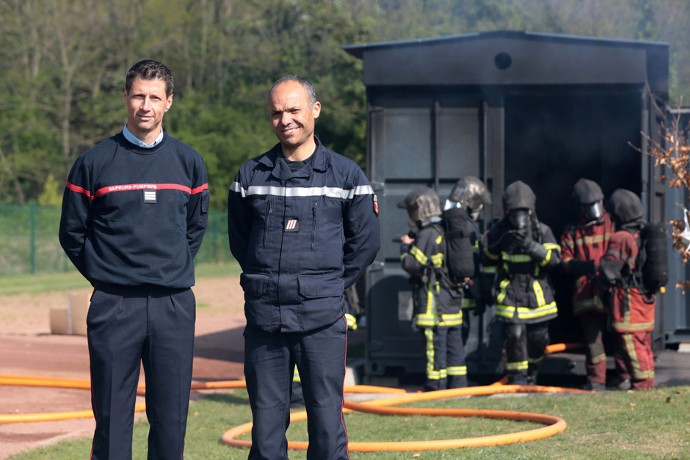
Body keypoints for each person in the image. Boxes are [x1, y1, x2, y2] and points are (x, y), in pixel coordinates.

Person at [58, 59, 209, 459]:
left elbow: (195, 227)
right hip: (114, 304)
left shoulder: (189, 162)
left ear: (169, 102)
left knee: (171, 418)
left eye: (155, 97)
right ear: (126, 98)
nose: (146, 105)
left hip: (173, 304)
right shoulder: (95, 161)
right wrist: (108, 274)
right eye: (138, 95)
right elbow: (72, 232)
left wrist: (168, 267)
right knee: (111, 418)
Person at [227, 75, 380, 459]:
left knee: (327, 428)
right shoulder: (250, 176)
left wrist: (328, 285)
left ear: (315, 110)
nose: (285, 119)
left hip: (322, 321)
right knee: (265, 433)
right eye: (277, 112)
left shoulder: (347, 176)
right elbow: (241, 242)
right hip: (265, 320)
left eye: (294, 110)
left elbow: (365, 244)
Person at [482, 181, 561, 385]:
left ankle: (533, 371)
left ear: (531, 211)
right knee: (515, 336)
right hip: (510, 293)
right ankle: (517, 379)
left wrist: (531, 246)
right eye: (514, 213)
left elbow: (553, 261)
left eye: (523, 212)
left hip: (537, 294)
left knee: (538, 340)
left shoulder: (543, 231)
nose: (519, 218)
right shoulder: (499, 233)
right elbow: (488, 259)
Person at [399, 187, 467, 391]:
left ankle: (434, 387)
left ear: (419, 211)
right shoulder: (445, 229)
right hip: (452, 303)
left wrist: (404, 247)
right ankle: (458, 387)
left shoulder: (427, 234)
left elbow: (412, 265)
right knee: (454, 347)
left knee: (434, 346)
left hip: (433, 305)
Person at [560, 178, 614, 391]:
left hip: (609, 291)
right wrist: (577, 266)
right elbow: (564, 260)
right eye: (590, 206)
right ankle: (596, 380)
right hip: (585, 293)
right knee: (593, 341)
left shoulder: (612, 224)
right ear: (580, 208)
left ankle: (626, 376)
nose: (595, 210)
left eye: (598, 204)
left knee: (619, 335)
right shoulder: (572, 231)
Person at [599, 189, 655, 390]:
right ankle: (640, 381)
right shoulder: (642, 233)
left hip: (628, 302)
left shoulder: (621, 237)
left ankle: (641, 384)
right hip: (644, 299)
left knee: (630, 342)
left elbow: (609, 269)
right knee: (642, 342)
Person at [442, 175, 492, 344]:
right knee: (457, 341)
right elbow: (474, 264)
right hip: (464, 293)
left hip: (445, 293)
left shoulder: (445, 221)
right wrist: (481, 296)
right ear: (472, 201)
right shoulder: (469, 227)